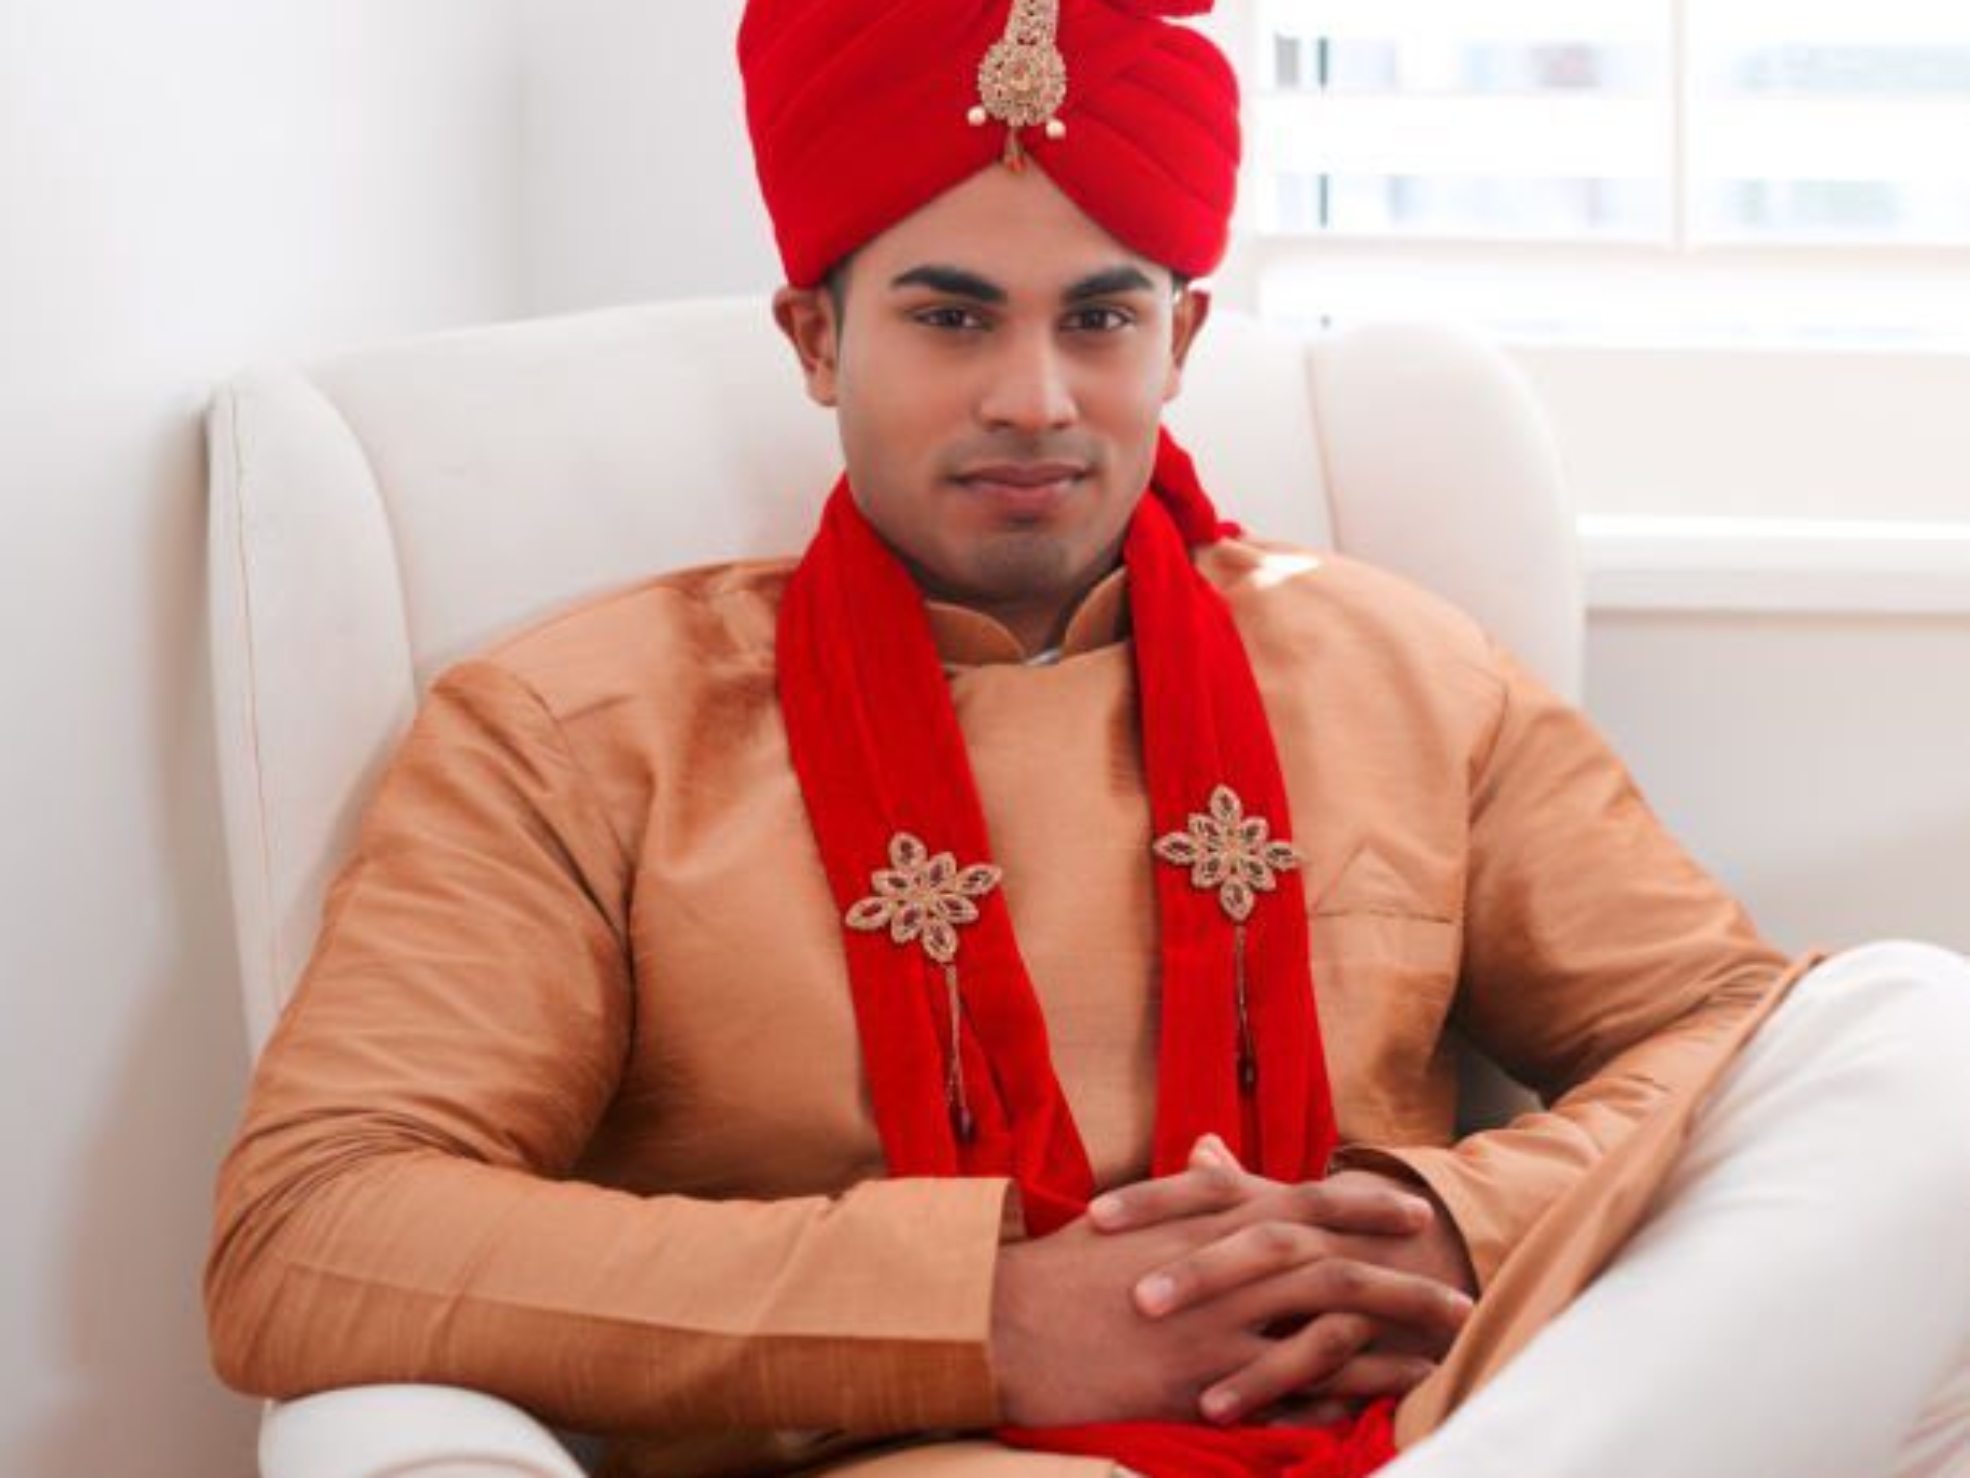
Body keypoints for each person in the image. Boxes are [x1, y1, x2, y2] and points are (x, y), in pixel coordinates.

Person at [204, 2, 1970, 1475]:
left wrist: (1433, 1221)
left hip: (1434, 1409)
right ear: (815, 338)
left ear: (1183, 338)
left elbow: (1730, 1033)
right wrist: (975, 1314)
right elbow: (313, 1230)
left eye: (1101, 317)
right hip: (941, 1453)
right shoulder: (578, 730)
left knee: (1917, 1025)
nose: (1033, 397)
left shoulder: (1397, 666)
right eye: (951, 314)